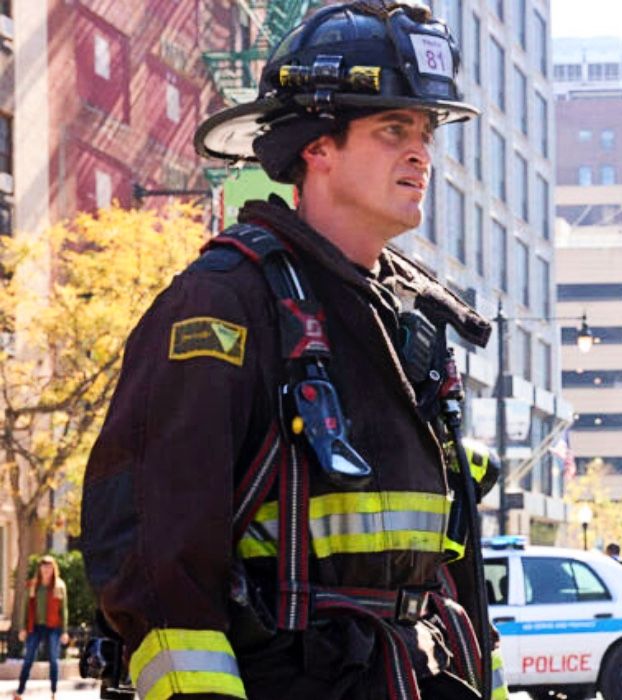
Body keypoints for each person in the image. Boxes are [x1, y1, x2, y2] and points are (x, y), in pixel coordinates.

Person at [81, 3, 507, 699]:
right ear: (317, 147)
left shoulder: (415, 319)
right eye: (393, 129)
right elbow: (158, 563)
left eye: (426, 132)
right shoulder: (225, 305)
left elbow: (441, 563)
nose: (421, 155)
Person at [15, 556, 68, 700]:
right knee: (28, 659)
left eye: (49, 567)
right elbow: (25, 608)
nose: (46, 570)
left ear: (53, 569)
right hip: (35, 627)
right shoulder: (32, 585)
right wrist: (22, 628)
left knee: (53, 660)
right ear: (40, 569)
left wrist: (64, 631)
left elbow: (64, 611)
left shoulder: (60, 586)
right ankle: (20, 692)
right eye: (44, 567)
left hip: (53, 627)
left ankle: (54, 692)